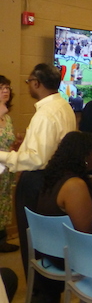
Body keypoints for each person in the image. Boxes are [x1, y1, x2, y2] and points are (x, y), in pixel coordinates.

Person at [0, 63, 76, 277]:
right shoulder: (64, 106)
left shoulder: (45, 114)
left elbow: (35, 159)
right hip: (56, 179)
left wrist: (3, 155)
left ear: (36, 83)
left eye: (29, 82)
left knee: (32, 242)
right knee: (50, 241)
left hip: (38, 181)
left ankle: (39, 290)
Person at [33, 131, 92, 303]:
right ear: (85, 156)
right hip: (70, 257)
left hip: (49, 251)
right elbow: (86, 232)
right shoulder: (75, 185)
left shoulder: (54, 176)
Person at [0, 76, 18, 252]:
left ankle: (1, 240)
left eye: (7, 87)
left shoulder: (7, 118)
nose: (6, 91)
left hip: (6, 169)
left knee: (4, 203)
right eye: (1, 88)